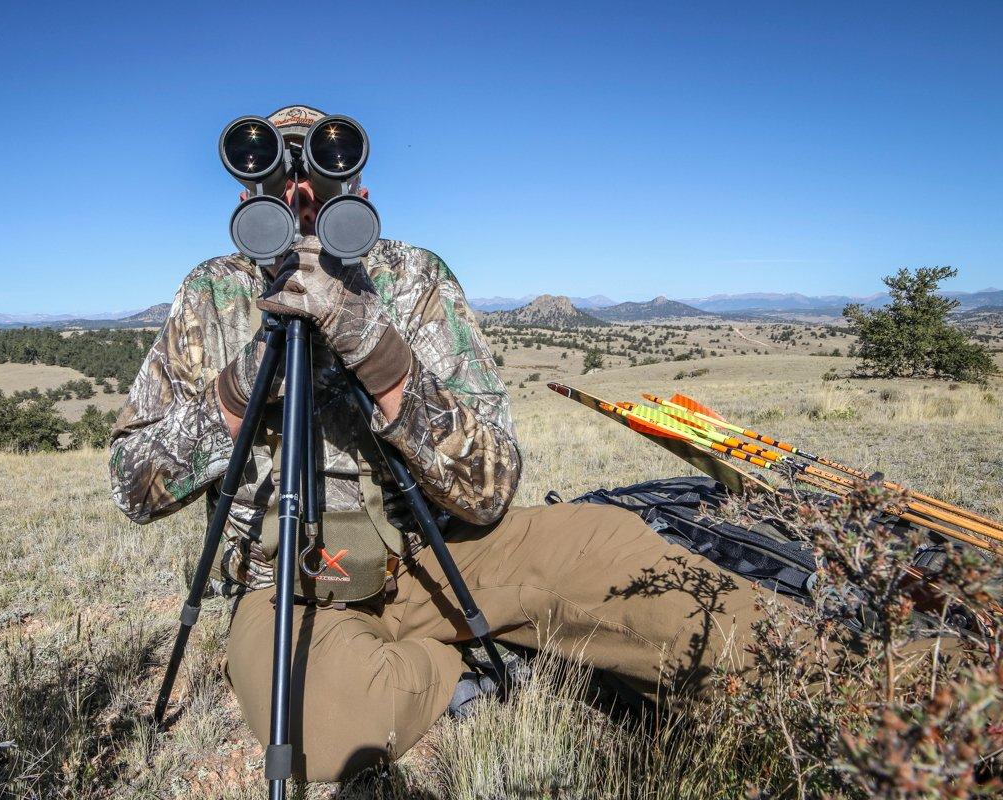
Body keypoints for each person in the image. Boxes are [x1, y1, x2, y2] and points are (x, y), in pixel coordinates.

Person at [108, 105, 770, 783]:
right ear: (247, 195)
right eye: (281, 174)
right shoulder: (212, 295)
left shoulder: (415, 280)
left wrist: (377, 353)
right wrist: (238, 388)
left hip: (446, 550)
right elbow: (132, 485)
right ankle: (459, 655)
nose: (302, 194)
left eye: (324, 174)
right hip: (290, 586)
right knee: (329, 730)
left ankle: (823, 680)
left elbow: (491, 488)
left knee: (648, 575)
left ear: (359, 193)